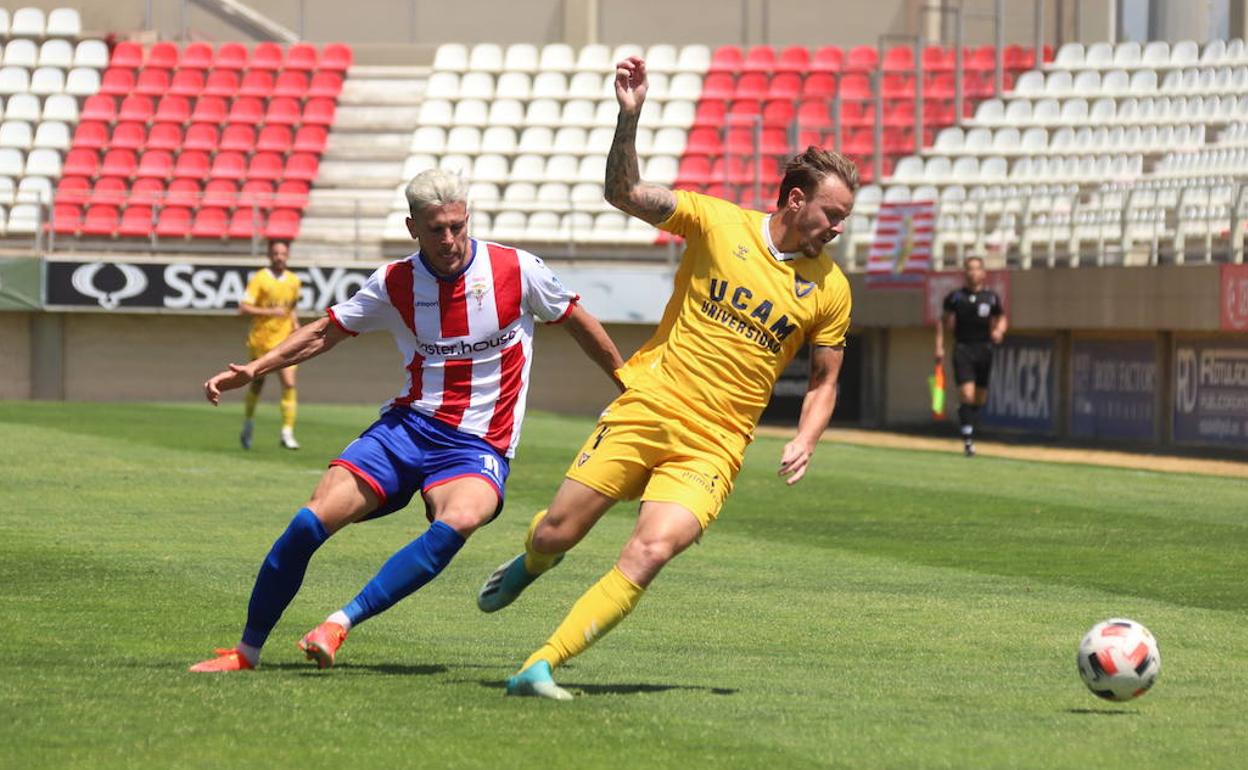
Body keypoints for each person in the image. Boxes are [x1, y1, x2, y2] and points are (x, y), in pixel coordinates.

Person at [475, 56, 858, 700]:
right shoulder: (716, 222)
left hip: (716, 444)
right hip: (649, 403)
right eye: (832, 213)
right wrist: (631, 119)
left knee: (650, 552)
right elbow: (624, 194)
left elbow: (824, 381)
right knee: (555, 531)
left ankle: (541, 663)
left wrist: (808, 437)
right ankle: (535, 559)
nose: (839, 227)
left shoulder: (832, 288)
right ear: (796, 200)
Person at [189, 169, 624, 673]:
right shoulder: (394, 282)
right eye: (436, 228)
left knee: (460, 518)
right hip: (407, 427)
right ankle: (246, 652)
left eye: (458, 226)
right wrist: (256, 369)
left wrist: (627, 384)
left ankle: (339, 624)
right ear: (412, 226)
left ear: (468, 218)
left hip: (479, 444)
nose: (449, 239)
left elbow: (578, 320)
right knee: (311, 520)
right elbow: (325, 331)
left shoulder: (516, 269)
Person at [933, 256, 1008, 456]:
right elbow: (942, 320)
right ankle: (968, 441)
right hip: (963, 349)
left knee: (979, 398)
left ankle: (967, 420)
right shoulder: (956, 297)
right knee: (967, 393)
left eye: (977, 269)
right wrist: (939, 346)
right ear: (964, 272)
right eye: (969, 269)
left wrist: (999, 330)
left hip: (984, 350)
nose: (973, 272)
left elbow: (1001, 317)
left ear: (983, 273)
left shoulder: (991, 298)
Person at [239, 239, 302, 450]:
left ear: (288, 255)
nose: (279, 257)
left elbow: (291, 307)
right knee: (257, 384)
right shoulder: (260, 279)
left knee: (289, 383)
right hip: (261, 341)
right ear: (269, 255)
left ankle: (287, 432)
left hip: (284, 341)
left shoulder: (294, 281)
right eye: (276, 253)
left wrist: (295, 324)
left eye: (283, 253)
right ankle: (248, 422)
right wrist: (269, 312)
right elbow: (244, 308)